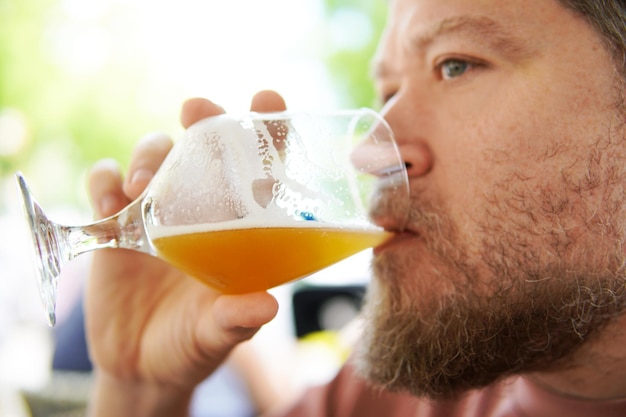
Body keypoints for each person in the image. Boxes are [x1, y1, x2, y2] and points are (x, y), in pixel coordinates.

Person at [82, 0, 626, 415]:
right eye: (386, 90)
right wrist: (139, 391)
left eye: (456, 65)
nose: (370, 151)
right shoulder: (383, 398)